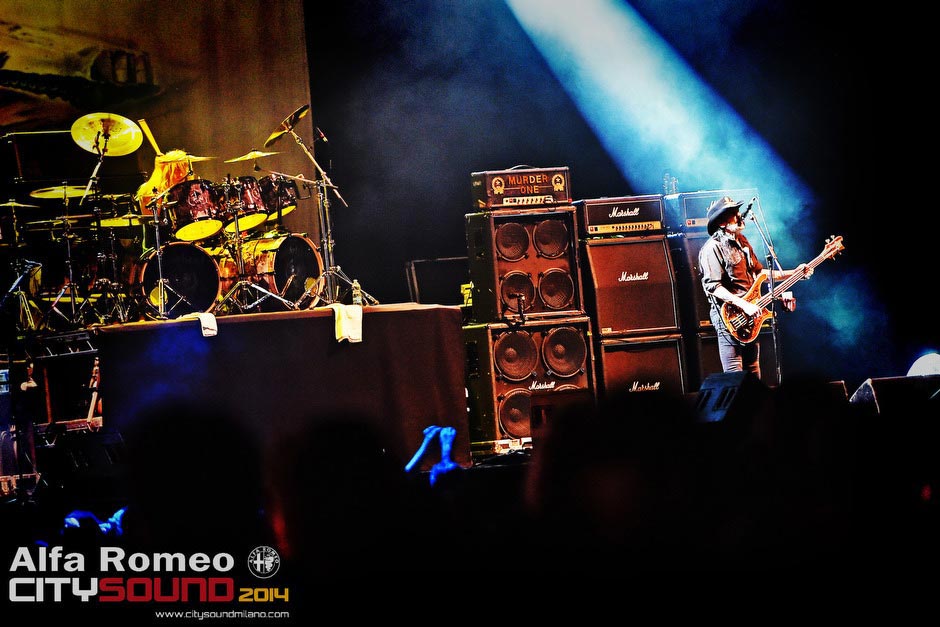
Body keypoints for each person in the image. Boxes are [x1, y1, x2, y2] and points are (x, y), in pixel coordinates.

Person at [698, 196, 812, 378]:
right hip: (729, 316)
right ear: (721, 223)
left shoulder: (742, 241)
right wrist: (744, 305)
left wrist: (795, 272)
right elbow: (713, 287)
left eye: (737, 211)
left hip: (751, 313)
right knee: (734, 373)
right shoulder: (713, 248)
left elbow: (760, 274)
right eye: (732, 213)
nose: (739, 215)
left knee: (753, 370)